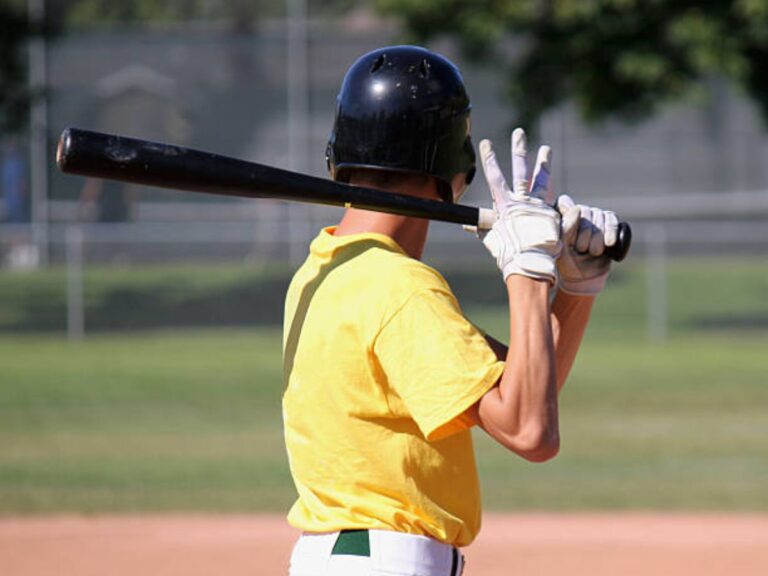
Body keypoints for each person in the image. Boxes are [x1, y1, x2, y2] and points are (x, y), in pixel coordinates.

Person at [282, 45, 620, 576]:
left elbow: (526, 392)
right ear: (454, 171)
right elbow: (531, 433)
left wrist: (573, 289)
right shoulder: (401, 288)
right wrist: (526, 271)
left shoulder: (325, 269)